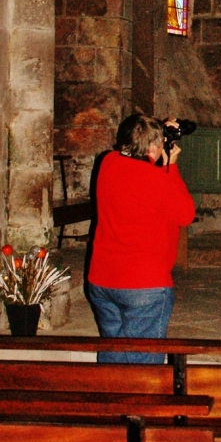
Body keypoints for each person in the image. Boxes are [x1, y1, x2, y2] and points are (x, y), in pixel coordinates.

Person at [87, 113, 195, 364]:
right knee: (142, 366)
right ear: (153, 147)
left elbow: (133, 153)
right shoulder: (160, 179)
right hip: (144, 285)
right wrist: (172, 166)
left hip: (102, 280)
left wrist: (155, 133)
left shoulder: (107, 163)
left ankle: (110, 401)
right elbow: (186, 215)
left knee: (113, 354)